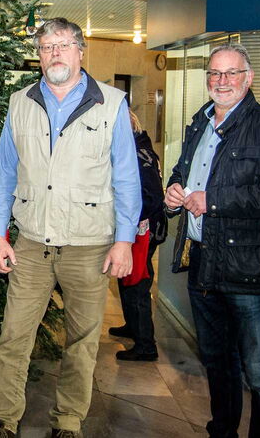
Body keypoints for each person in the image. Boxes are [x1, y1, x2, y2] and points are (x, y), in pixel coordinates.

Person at [0, 17, 141, 438]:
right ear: (39, 57)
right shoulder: (20, 103)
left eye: (63, 46)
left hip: (89, 245)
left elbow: (127, 177)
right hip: (31, 242)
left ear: (80, 51)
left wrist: (124, 241)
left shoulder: (111, 103)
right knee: (14, 337)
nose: (55, 54)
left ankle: (69, 422)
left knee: (82, 343)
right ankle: (2, 419)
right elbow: (4, 174)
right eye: (46, 48)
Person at [164, 43, 260, 438]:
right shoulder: (199, 123)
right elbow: (183, 171)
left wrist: (215, 201)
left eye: (231, 73)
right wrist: (175, 191)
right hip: (203, 265)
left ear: (249, 78)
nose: (221, 81)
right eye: (214, 73)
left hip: (251, 273)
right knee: (217, 366)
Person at [109, 110, 167, 361]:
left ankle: (146, 344)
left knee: (138, 284)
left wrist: (128, 221)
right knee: (127, 279)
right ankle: (132, 326)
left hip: (142, 230)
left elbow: (152, 195)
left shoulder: (136, 153)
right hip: (139, 229)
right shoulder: (139, 147)